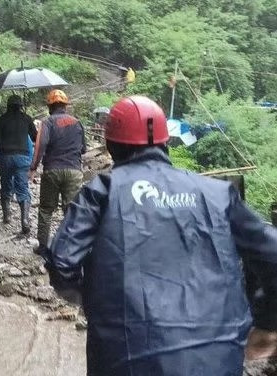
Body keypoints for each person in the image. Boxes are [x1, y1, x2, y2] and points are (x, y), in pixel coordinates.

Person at [46, 95, 277, 375]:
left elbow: (62, 263)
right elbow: (271, 255)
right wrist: (266, 321)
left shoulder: (102, 191)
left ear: (111, 146)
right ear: (165, 142)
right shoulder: (217, 194)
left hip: (126, 357)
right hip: (218, 357)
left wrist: (91, 300)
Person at [30, 89, 86, 255]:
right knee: (71, 210)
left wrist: (33, 168)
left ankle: (43, 247)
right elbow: (83, 149)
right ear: (65, 106)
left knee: (46, 210)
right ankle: (71, 248)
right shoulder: (77, 123)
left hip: (52, 170)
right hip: (74, 171)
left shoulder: (47, 123)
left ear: (50, 107)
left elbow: (40, 146)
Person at [0, 94, 37, 234]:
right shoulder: (26, 119)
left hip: (5, 157)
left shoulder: (1, 120)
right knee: (22, 188)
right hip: (22, 158)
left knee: (6, 185)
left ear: (8, 106)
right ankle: (25, 221)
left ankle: (7, 216)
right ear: (21, 106)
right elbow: (35, 137)